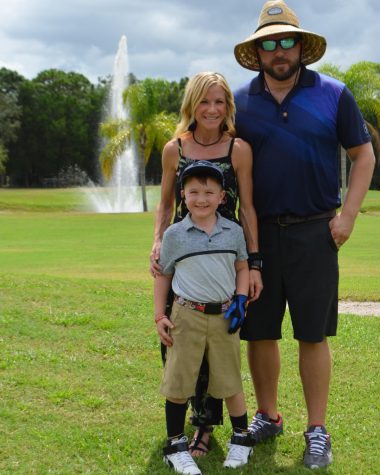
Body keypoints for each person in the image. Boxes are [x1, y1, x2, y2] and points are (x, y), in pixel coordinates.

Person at [233, 0, 376, 469]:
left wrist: (348, 216)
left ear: (300, 46)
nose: (278, 51)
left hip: (316, 232)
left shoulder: (334, 94)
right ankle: (268, 415)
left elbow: (363, 155)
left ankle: (317, 428)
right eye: (269, 43)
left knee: (313, 334)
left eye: (286, 41)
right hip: (258, 236)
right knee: (260, 333)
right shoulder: (239, 102)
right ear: (258, 50)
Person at [150, 72, 262, 457]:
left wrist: (255, 264)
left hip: (226, 257)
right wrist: (157, 241)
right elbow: (166, 204)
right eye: (204, 101)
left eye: (219, 102)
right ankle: (193, 427)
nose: (212, 109)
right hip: (185, 257)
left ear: (228, 106)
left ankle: (208, 428)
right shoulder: (174, 149)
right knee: (183, 347)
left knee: (219, 349)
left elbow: (247, 208)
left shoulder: (239, 149)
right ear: (191, 105)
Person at [155, 160, 255, 474]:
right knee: (179, 382)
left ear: (222, 197)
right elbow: (163, 277)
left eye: (209, 192)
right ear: (183, 195)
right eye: (194, 191)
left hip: (225, 315)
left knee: (229, 380)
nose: (201, 198)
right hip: (187, 314)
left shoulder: (233, 231)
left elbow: (242, 267)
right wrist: (160, 315)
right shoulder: (175, 235)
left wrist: (241, 298)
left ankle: (241, 440)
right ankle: (175, 446)